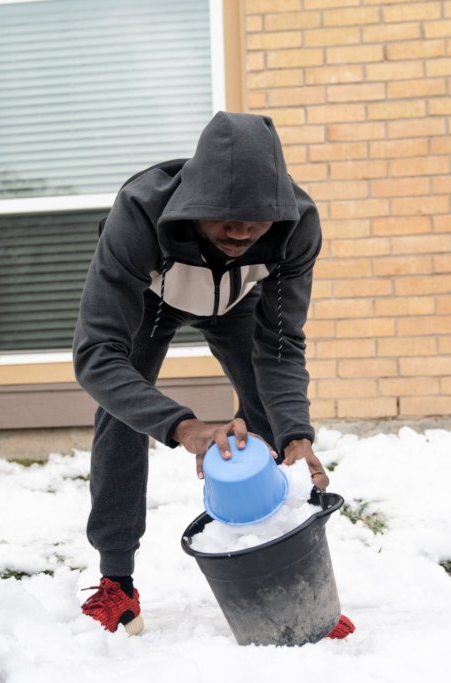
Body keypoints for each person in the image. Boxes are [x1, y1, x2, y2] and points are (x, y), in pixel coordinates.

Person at [72, 111, 354, 639]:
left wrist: (296, 431)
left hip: (237, 304)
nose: (242, 232)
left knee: (270, 415)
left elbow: (281, 342)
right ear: (193, 202)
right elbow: (95, 355)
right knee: (123, 412)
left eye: (256, 219)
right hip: (153, 302)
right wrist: (184, 427)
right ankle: (117, 581)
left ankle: (282, 573)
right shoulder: (139, 212)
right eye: (225, 216)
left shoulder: (296, 224)